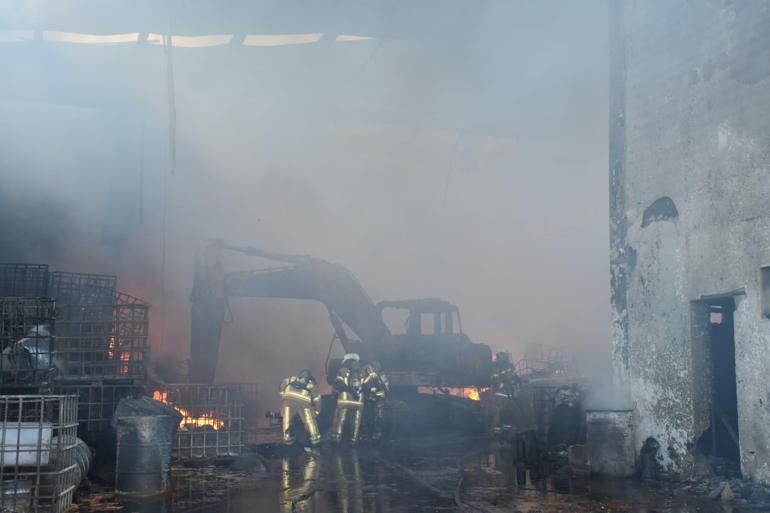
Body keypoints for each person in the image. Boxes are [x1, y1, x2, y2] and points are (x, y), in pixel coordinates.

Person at [279, 369, 321, 447]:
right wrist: (317, 411)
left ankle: (287, 439)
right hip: (304, 403)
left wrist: (283, 395)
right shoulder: (311, 384)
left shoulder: (291, 379)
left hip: (288, 401)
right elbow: (317, 399)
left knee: (286, 420)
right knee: (309, 421)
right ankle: (315, 439)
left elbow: (282, 385)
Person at [330, 353, 364, 444]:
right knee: (356, 420)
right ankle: (353, 439)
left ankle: (336, 438)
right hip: (359, 400)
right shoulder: (362, 371)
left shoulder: (343, 370)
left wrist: (334, 394)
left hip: (345, 398)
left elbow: (337, 383)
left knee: (340, 418)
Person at [361, 360, 390, 441]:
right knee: (365, 415)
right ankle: (364, 434)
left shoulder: (381, 374)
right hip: (367, 396)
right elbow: (361, 386)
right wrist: (369, 378)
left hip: (378, 396)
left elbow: (386, 387)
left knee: (379, 414)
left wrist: (379, 382)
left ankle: (377, 434)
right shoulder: (364, 371)